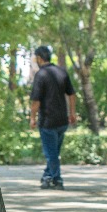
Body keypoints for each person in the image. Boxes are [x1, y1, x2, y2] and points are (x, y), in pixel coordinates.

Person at [29, 45, 78, 189]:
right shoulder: (61, 72)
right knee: (53, 152)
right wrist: (72, 113)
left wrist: (32, 117)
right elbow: (72, 94)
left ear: (39, 58)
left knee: (51, 154)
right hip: (62, 120)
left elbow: (36, 100)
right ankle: (47, 176)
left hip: (48, 121)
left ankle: (57, 180)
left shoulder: (41, 75)